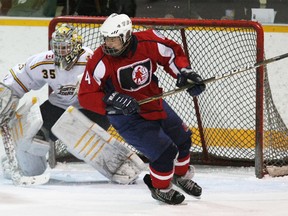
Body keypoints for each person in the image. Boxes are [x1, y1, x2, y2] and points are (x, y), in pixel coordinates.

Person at [78, 13, 206, 205]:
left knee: (183, 139)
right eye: (106, 38)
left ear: (127, 36)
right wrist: (112, 99)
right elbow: (86, 95)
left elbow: (172, 53)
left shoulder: (149, 41)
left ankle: (181, 177)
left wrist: (184, 72)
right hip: (126, 116)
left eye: (113, 39)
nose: (108, 43)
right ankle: (160, 187)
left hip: (153, 103)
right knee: (164, 153)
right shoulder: (100, 60)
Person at [0, 23, 110, 182]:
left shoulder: (91, 61)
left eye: (65, 47)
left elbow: (111, 84)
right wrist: (4, 98)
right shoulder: (44, 61)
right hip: (58, 106)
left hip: (90, 109)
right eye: (57, 47)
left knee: (82, 141)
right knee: (32, 137)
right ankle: (28, 169)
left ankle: (119, 165)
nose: (61, 52)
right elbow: (19, 78)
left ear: (76, 46)